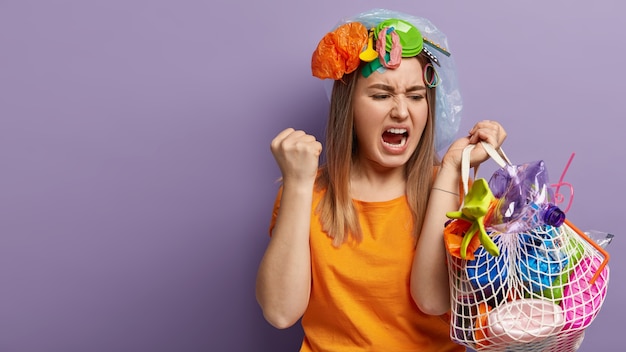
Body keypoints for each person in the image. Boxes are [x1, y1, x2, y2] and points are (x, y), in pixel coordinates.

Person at [256, 8, 507, 352]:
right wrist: (298, 185)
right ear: (350, 107)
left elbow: (433, 299)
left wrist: (450, 169)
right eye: (381, 95)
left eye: (416, 96)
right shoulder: (307, 191)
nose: (402, 111)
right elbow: (281, 312)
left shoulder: (458, 190)